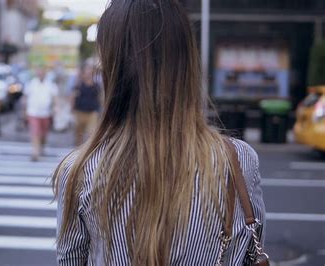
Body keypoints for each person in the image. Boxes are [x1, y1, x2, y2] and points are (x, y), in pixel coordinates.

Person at [53, 1, 267, 265]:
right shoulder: (239, 160)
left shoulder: (80, 170)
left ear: (111, 67)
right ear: (187, 62)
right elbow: (251, 251)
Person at [23, 67, 59, 161]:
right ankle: (35, 152)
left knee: (43, 133)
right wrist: (25, 110)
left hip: (46, 113)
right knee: (35, 132)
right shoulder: (32, 83)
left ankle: (42, 147)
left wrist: (56, 107)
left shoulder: (50, 84)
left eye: (42, 72)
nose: (41, 74)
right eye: (39, 72)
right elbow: (26, 97)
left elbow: (55, 97)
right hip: (33, 112)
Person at [71, 63, 101, 146]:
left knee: (91, 133)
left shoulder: (96, 86)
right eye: (86, 71)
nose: (88, 73)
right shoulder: (78, 85)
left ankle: (88, 149)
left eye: (90, 71)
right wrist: (72, 109)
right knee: (79, 133)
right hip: (79, 112)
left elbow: (99, 98)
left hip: (92, 113)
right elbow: (73, 97)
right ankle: (78, 149)